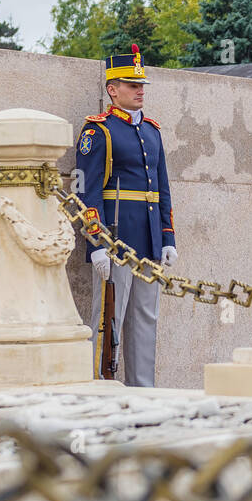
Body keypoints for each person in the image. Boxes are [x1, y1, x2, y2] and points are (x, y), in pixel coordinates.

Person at [76, 43, 177, 387]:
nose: (139, 91)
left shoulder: (152, 131)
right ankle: (99, 388)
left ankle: (143, 392)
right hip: (115, 240)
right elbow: (87, 192)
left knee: (146, 319)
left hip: (148, 240)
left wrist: (167, 237)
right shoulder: (99, 130)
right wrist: (96, 244)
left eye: (142, 85)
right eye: (132, 86)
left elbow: (162, 189)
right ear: (112, 89)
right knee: (108, 320)